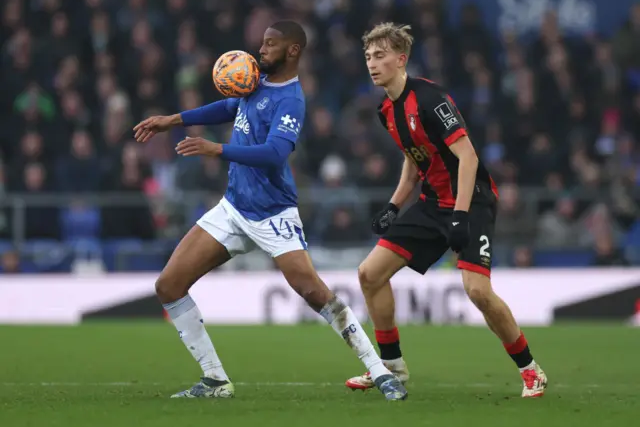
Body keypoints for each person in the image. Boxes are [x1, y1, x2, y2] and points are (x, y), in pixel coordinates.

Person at [133, 21, 407, 401]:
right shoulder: (254, 82)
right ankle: (215, 380)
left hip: (273, 214)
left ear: (292, 50)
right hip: (233, 207)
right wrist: (174, 120)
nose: (261, 49)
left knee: (313, 292)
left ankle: (380, 372)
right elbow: (229, 106)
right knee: (168, 285)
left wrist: (217, 150)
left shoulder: (291, 99)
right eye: (262, 42)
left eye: (270, 44)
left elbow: (276, 153)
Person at [344, 22, 547, 398]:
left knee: (477, 291)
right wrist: (393, 205)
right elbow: (414, 161)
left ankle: (530, 369)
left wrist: (461, 215)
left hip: (472, 200)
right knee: (370, 273)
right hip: (432, 204)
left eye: (381, 55)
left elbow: (467, 158)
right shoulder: (387, 110)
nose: (372, 63)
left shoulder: (430, 99)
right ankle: (391, 367)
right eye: (368, 56)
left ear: (401, 59)